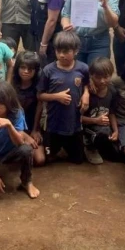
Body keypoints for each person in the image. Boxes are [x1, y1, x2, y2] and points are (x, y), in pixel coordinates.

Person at [37, 31, 90, 164]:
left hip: (74, 124)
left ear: (76, 51)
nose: (61, 55)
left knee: (78, 160)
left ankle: (73, 146)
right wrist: (56, 97)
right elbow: (40, 95)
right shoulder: (48, 70)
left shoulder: (83, 68)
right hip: (53, 124)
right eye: (58, 51)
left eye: (66, 51)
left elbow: (87, 85)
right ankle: (52, 146)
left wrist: (86, 94)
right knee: (47, 160)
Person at [82, 57, 119, 165]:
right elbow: (76, 118)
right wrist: (95, 121)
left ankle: (100, 144)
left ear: (111, 75)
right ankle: (89, 146)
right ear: (91, 76)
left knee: (117, 155)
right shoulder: (87, 93)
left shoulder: (112, 91)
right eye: (98, 77)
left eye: (106, 77)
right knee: (103, 132)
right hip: (87, 127)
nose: (102, 81)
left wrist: (116, 131)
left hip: (103, 127)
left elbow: (112, 113)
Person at [12, 51, 44, 157]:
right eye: (22, 67)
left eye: (30, 69)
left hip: (32, 125)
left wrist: (35, 130)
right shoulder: (11, 83)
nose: (26, 71)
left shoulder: (38, 85)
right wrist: (23, 134)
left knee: (39, 159)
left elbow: (40, 107)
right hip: (14, 127)